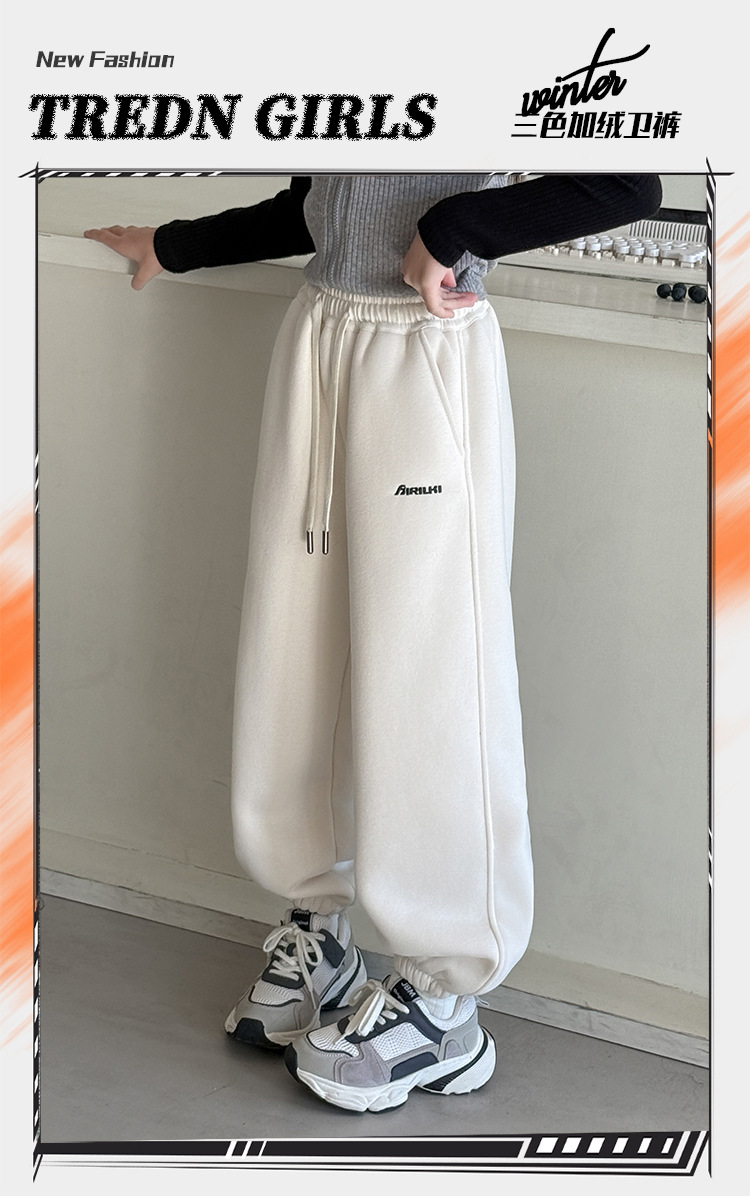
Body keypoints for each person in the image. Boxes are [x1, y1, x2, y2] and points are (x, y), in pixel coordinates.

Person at [85, 172, 662, 1114]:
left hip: (425, 351)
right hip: (319, 335)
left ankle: (446, 997)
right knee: (290, 654)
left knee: (430, 676)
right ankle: (322, 929)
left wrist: (456, 227)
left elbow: (628, 179)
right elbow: (324, 199)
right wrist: (174, 244)